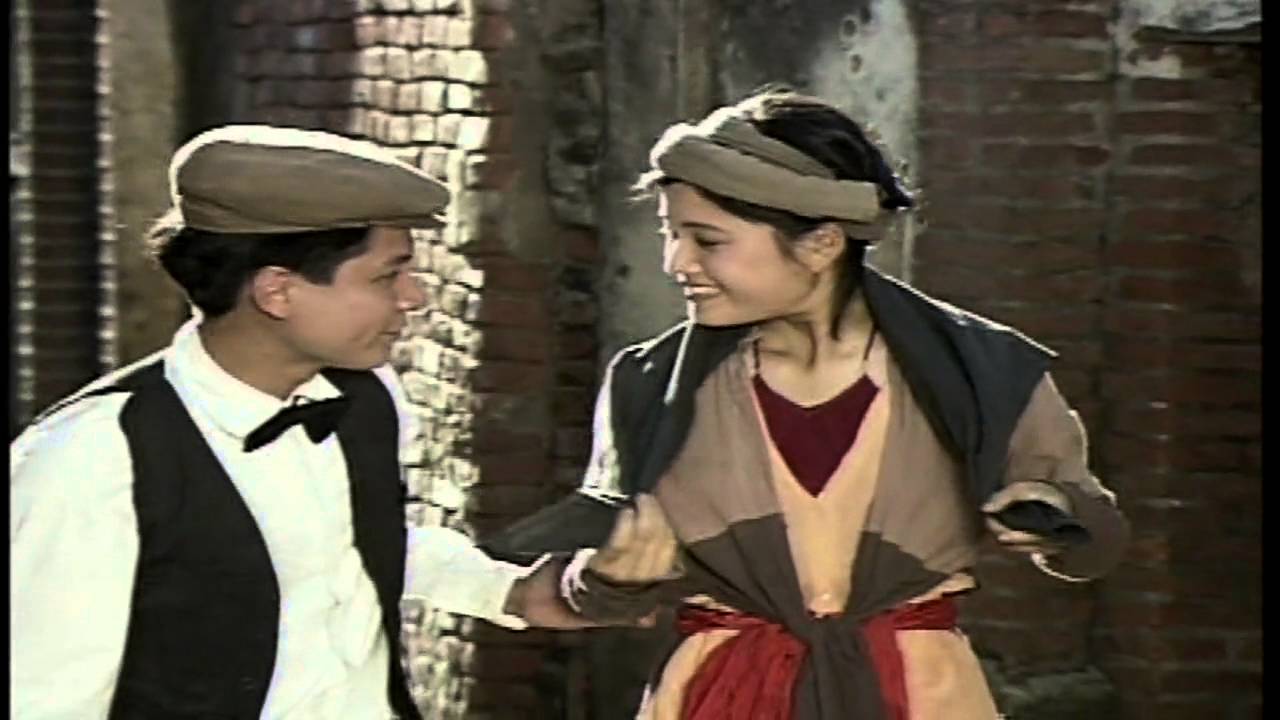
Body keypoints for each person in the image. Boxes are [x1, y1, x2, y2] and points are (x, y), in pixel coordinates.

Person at [484, 89, 1132, 719]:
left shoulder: (980, 372)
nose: (676, 262)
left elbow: (1095, 542)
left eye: (707, 240)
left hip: (918, 695)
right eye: (670, 233)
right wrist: (609, 582)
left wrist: (1058, 518)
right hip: (719, 696)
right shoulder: (649, 384)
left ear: (822, 244)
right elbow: (595, 577)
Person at [9, 124, 665, 719]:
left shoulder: (365, 398)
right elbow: (43, 697)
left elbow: (353, 544)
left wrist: (517, 591)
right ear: (277, 292)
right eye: (387, 276)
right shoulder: (91, 457)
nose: (415, 298)